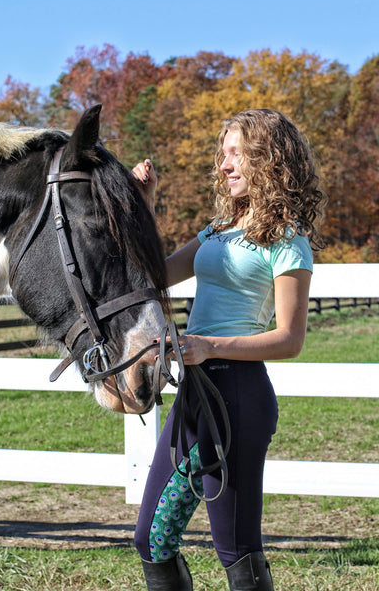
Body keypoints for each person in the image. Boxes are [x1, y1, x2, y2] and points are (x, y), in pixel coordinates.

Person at [130, 108, 326, 590]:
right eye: (223, 155)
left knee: (236, 550)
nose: (225, 165)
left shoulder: (288, 239)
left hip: (238, 397)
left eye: (237, 154)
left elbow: (290, 339)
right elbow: (155, 273)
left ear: (269, 159)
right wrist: (145, 206)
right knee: (151, 538)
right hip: (195, 395)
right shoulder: (219, 230)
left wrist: (204, 344)